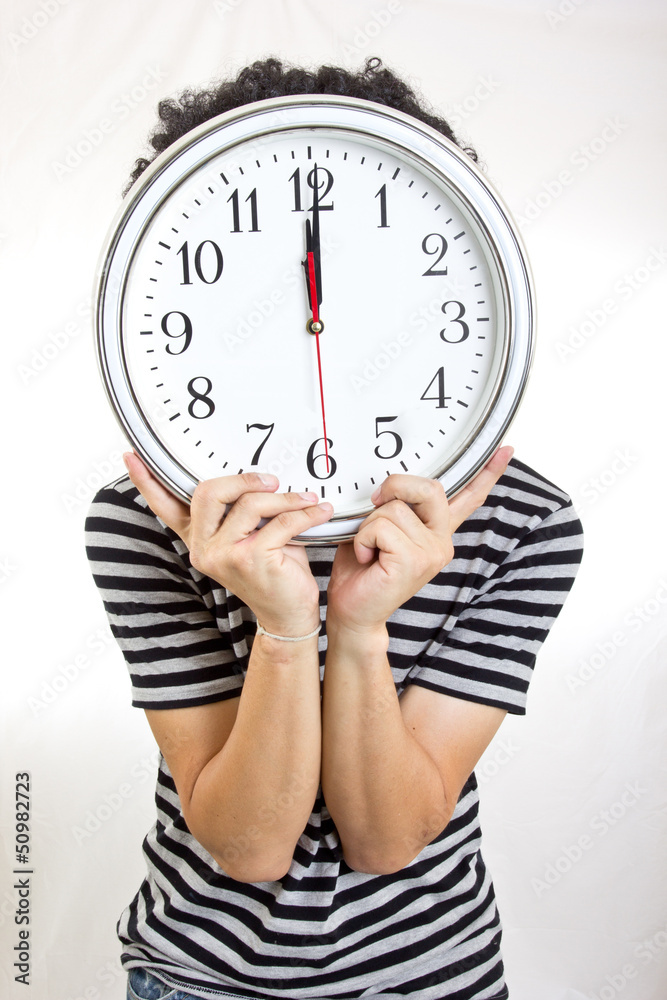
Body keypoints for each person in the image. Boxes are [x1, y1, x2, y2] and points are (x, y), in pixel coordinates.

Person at [85, 57, 584, 1000]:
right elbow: (249, 847)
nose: (313, 323)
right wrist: (283, 627)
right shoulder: (145, 521)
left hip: (429, 979)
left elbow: (386, 839)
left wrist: (358, 625)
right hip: (200, 978)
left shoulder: (525, 523)